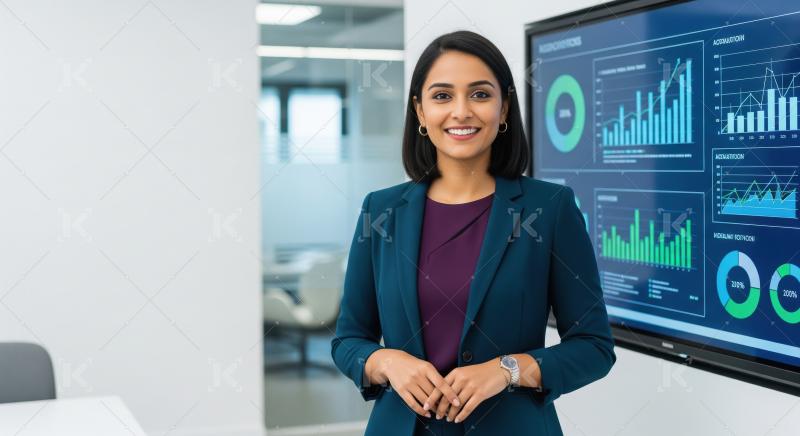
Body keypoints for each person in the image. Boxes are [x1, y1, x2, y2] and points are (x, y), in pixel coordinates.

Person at [330, 30, 616, 436]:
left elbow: (594, 347)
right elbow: (348, 341)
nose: (461, 111)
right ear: (420, 111)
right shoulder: (382, 211)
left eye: (480, 95)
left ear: (503, 110)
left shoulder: (548, 209)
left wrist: (507, 370)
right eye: (442, 96)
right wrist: (389, 363)